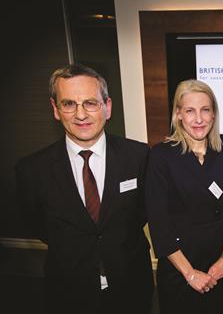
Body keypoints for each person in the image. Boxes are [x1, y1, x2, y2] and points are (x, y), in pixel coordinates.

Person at [15, 64, 154, 314]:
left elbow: (143, 212)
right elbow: (36, 225)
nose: (81, 114)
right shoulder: (31, 170)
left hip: (131, 286)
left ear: (107, 107)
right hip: (68, 290)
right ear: (56, 110)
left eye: (90, 103)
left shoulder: (139, 156)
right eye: (69, 104)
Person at [145, 79, 223, 314]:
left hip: (215, 264)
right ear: (178, 114)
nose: (198, 119)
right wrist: (189, 272)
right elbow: (158, 222)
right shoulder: (161, 156)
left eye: (205, 110)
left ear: (213, 114)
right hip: (178, 264)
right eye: (190, 111)